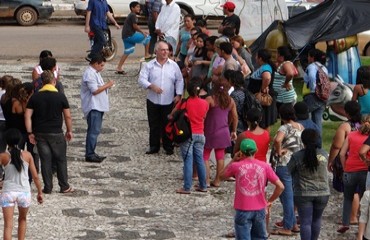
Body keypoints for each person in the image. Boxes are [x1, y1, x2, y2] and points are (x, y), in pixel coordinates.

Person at [220, 138, 284, 240]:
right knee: (259, 237)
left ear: (241, 152)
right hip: (260, 208)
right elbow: (280, 186)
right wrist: (270, 201)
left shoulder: (236, 166)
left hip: (242, 208)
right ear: (256, 150)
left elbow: (221, 176)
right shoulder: (265, 166)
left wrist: (233, 160)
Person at [25, 70, 74, 194]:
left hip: (40, 133)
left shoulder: (35, 97)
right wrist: (69, 130)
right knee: (61, 159)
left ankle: (48, 187)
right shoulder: (60, 96)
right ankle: (64, 186)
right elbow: (67, 116)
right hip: (56, 132)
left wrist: (30, 132)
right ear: (54, 81)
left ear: (42, 82)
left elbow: (27, 116)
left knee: (45, 160)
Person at [138, 41, 184, 155]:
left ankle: (168, 146)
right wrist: (151, 86)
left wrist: (178, 94)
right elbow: (141, 79)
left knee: (167, 123)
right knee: (153, 124)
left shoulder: (173, 65)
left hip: (168, 100)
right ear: (156, 51)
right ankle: (154, 146)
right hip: (153, 99)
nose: (165, 52)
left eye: (167, 50)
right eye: (162, 50)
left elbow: (179, 80)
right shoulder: (149, 65)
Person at [0, 128, 43, 240]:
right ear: (20, 140)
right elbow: (35, 176)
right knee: (22, 219)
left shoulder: (3, 156)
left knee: (8, 225)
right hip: (24, 192)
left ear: (7, 141)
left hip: (8, 192)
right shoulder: (27, 155)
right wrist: (39, 192)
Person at [287, 129, 330, 240]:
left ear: (302, 141)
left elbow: (288, 171)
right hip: (323, 192)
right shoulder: (324, 154)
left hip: (303, 193)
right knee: (316, 220)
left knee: (305, 222)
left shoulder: (297, 156)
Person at [271, 103, 303, 236]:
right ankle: (293, 223)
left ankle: (287, 226)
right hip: (297, 163)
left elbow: (278, 140)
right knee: (292, 194)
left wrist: (278, 152)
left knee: (286, 196)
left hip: (284, 163)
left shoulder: (284, 127)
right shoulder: (301, 126)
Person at [173, 77, 209, 194]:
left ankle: (187, 187)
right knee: (200, 159)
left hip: (188, 134)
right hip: (201, 134)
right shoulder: (205, 103)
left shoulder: (185, 103)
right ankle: (203, 185)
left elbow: (174, 113)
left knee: (188, 160)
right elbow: (204, 117)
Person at [327, 101, 361, 225]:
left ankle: (352, 217)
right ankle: (357, 214)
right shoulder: (365, 124)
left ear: (346, 113)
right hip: (362, 161)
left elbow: (337, 146)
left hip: (348, 162)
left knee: (352, 191)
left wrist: (331, 160)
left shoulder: (345, 127)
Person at [337, 115, 370, 234]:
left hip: (350, 170)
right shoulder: (368, 138)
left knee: (347, 198)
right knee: (364, 199)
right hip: (365, 171)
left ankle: (345, 223)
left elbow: (342, 153)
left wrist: (345, 167)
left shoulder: (351, 135)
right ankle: (364, 225)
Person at [204, 78, 237, 187]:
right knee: (220, 156)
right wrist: (233, 130)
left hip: (210, 130)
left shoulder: (210, 99)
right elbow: (235, 117)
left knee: (205, 156)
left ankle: (206, 180)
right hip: (224, 131)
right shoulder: (230, 101)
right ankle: (217, 180)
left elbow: (202, 114)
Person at [81, 55, 114, 163]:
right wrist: (108, 85)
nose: (102, 67)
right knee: (93, 131)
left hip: (98, 105)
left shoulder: (95, 73)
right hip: (93, 106)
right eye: (101, 65)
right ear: (95, 64)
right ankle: (90, 154)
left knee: (95, 130)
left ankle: (92, 152)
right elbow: (94, 90)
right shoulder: (90, 74)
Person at [116, 1, 151, 75]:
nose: (139, 8)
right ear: (132, 8)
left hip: (125, 36)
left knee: (127, 51)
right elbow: (135, 26)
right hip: (130, 35)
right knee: (147, 38)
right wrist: (142, 32)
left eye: (139, 7)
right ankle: (147, 55)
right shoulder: (133, 15)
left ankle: (119, 67)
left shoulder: (131, 15)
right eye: (137, 7)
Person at [248, 48, 277, 129]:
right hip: (259, 97)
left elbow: (267, 77)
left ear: (260, 58)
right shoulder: (264, 66)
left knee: (264, 122)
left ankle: (265, 139)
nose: (255, 58)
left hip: (262, 98)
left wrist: (264, 88)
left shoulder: (266, 67)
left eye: (256, 56)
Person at [302, 48, 328, 135]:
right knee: (317, 121)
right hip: (323, 97)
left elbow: (312, 77)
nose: (308, 58)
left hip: (312, 96)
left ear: (312, 57)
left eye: (309, 56)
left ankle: (306, 137)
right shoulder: (324, 68)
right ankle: (318, 145)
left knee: (302, 114)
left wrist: (314, 90)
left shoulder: (312, 66)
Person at [273, 46, 298, 111]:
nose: (275, 55)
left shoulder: (286, 64)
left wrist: (286, 83)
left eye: (276, 53)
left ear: (280, 55)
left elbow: (290, 74)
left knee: (286, 118)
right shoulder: (280, 64)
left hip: (285, 98)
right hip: (281, 97)